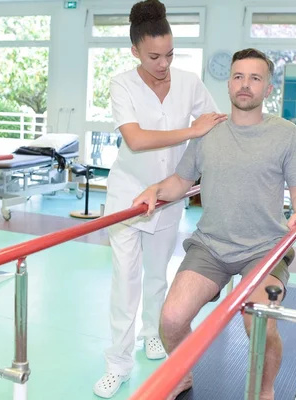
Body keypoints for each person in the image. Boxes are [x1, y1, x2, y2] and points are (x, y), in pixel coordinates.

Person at [132, 48, 296, 400]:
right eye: (238, 76)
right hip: (211, 246)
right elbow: (180, 182)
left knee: (258, 324)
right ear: (229, 84)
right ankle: (182, 375)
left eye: (254, 78)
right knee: (170, 321)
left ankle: (265, 391)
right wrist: (155, 190)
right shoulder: (209, 132)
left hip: (264, 249)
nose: (244, 84)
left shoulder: (286, 134)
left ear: (268, 88)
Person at [93, 0, 227, 398]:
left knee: (156, 277)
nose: (163, 63)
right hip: (126, 197)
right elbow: (135, 139)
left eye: (169, 54)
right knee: (125, 282)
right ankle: (117, 363)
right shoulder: (122, 84)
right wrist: (191, 132)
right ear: (135, 51)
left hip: (170, 195)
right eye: (154, 56)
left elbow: (216, 126)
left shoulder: (189, 83)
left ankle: (152, 332)